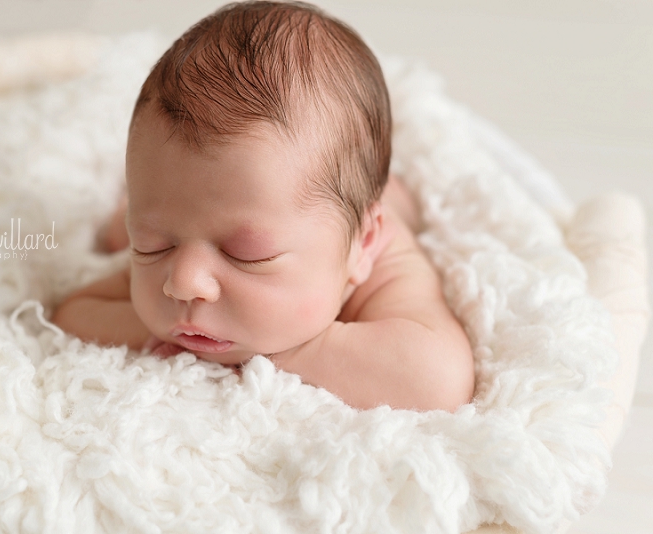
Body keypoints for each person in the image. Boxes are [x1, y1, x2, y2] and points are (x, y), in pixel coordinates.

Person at [53, 1, 474, 411]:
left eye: (246, 254)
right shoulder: (189, 233)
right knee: (116, 232)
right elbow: (75, 313)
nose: (184, 281)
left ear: (361, 244)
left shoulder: (382, 264)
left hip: (383, 203)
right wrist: (153, 318)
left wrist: (282, 353)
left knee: (396, 197)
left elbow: (435, 380)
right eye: (150, 243)